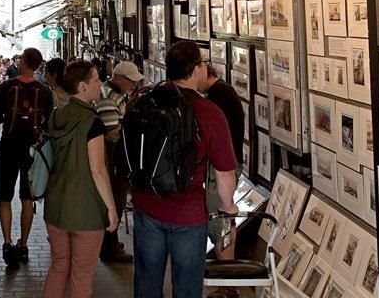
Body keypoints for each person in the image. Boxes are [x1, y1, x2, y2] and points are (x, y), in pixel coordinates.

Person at [131, 41, 238, 298]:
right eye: (203, 63)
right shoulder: (209, 112)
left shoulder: (144, 99)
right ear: (196, 69)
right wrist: (228, 206)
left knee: (146, 282)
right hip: (188, 214)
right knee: (187, 286)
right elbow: (224, 172)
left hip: (146, 205)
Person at [43, 61, 119, 298]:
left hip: (55, 204)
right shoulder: (92, 122)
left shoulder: (57, 115)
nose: (100, 84)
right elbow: (97, 170)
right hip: (85, 208)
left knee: (58, 266)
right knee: (82, 273)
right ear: (82, 86)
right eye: (96, 80)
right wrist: (111, 208)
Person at [0, 47, 54, 270]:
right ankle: (24, 244)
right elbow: (48, 122)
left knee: (5, 196)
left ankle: (7, 243)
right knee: (27, 198)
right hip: (32, 149)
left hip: (9, 145)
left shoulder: (8, 86)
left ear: (24, 62)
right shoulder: (44, 90)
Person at [95, 61, 144, 263]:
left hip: (116, 158)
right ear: (119, 78)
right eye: (131, 81)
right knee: (115, 200)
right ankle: (109, 247)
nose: (134, 85)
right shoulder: (107, 97)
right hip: (113, 158)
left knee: (117, 199)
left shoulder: (115, 94)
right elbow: (112, 134)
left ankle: (110, 242)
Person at [200, 63, 245, 260]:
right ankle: (228, 275)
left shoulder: (218, 95)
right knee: (223, 220)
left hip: (222, 167)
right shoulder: (223, 91)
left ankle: (228, 277)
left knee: (221, 221)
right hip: (228, 163)